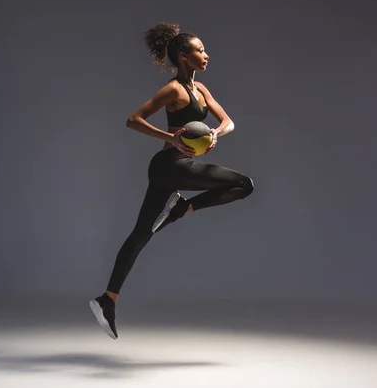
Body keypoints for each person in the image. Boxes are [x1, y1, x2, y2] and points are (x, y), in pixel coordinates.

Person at [89, 22, 254, 340]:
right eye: (199, 50)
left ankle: (107, 300)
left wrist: (214, 133)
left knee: (141, 234)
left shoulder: (201, 89)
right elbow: (133, 120)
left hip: (175, 167)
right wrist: (171, 138)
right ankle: (181, 209)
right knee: (244, 184)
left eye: (204, 49)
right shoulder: (174, 89)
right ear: (182, 56)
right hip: (171, 164)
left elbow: (228, 121)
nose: (206, 55)